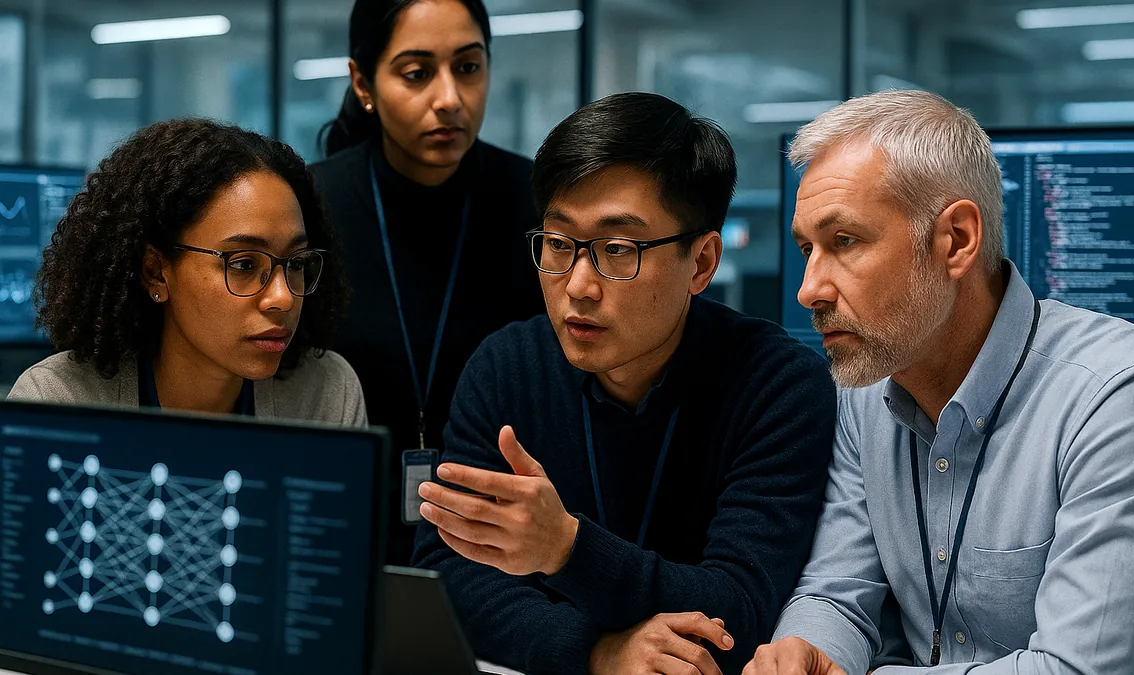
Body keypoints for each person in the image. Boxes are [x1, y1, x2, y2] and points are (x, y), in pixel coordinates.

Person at [746, 90, 1134, 675]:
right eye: (807, 248)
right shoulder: (865, 390)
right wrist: (805, 652)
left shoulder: (1119, 394)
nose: (809, 289)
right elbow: (837, 592)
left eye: (845, 242)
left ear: (957, 240)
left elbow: (1079, 671)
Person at [411, 92, 837, 675]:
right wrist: (595, 652)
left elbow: (739, 609)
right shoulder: (507, 367)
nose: (579, 285)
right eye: (559, 244)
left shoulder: (778, 384)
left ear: (702, 262)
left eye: (617, 250)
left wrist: (566, 549)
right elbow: (448, 572)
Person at [310, 0, 544, 565]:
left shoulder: (539, 204)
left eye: (468, 67)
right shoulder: (311, 208)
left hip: (503, 549)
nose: (449, 98)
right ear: (363, 83)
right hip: (339, 533)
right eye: (417, 74)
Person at [8, 119, 364, 426]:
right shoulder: (56, 403)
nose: (283, 298)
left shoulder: (324, 393)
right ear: (156, 273)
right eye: (243, 264)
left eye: (296, 264)